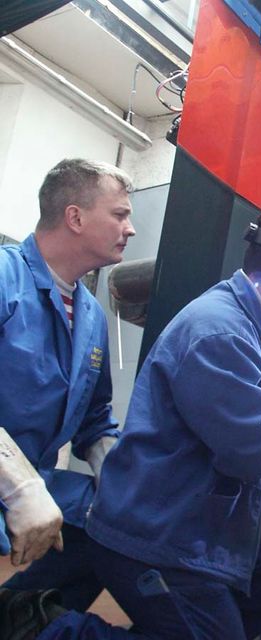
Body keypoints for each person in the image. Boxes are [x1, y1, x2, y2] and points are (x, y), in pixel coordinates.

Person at [33, 202, 261, 640]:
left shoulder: (252, 324)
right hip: (159, 533)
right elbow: (257, 454)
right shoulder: (221, 334)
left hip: (198, 516)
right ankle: (41, 628)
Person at [0, 159, 135, 610]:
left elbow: (94, 418)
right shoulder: (5, 279)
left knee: (117, 523)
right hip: (14, 482)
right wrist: (18, 487)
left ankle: (24, 616)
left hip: (34, 482)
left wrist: (122, 483)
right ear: (75, 217)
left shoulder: (91, 315)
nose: (130, 228)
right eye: (119, 214)